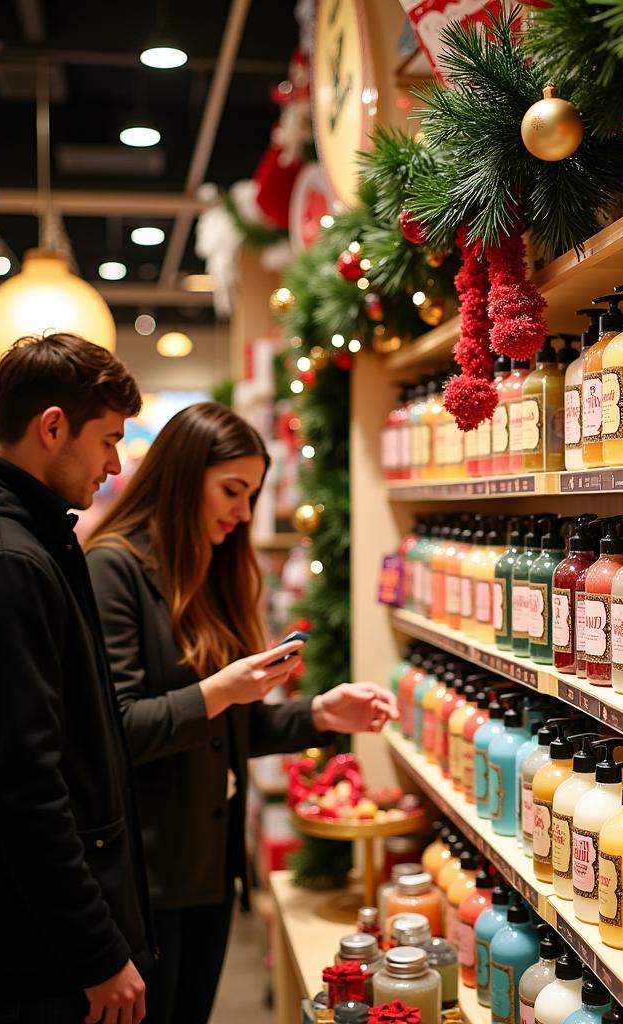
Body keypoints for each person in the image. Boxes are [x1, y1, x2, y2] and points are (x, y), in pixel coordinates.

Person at [84, 401, 397, 1024]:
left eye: (252, 493)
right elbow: (117, 731)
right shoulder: (112, 568)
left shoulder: (207, 571)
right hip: (148, 878)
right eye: (232, 490)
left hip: (208, 869)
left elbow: (226, 732)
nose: (245, 511)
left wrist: (321, 714)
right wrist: (220, 690)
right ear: (181, 477)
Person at [0, 334, 151, 1024]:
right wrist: (97, 950)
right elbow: (24, 789)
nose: (115, 462)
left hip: (35, 937)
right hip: (40, 954)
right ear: (53, 427)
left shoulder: (24, 538)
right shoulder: (4, 563)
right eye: (107, 439)